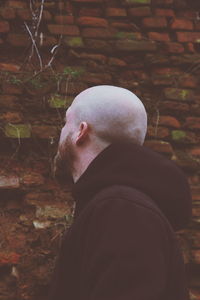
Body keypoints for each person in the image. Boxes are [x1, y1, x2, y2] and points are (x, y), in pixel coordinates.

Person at [49, 85, 192, 300]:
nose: (61, 131)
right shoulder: (119, 205)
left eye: (65, 122)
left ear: (81, 131)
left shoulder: (121, 210)